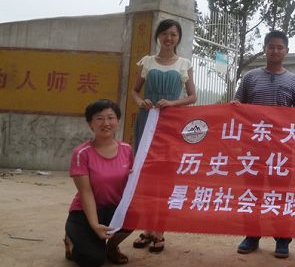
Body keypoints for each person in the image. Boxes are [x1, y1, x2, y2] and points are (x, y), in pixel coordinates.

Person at [234, 30, 295, 259]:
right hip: (254, 148)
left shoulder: (294, 81)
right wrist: (235, 104)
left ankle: (282, 239)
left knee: (281, 194)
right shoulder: (250, 78)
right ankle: (251, 236)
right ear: (264, 49)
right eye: (271, 46)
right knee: (253, 193)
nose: (275, 51)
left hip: (282, 150)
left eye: (279, 47)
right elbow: (238, 104)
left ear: (286, 51)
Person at [130, 18, 197, 253]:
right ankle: (147, 229)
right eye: (165, 33)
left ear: (178, 38)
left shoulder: (184, 64)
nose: (169, 38)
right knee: (146, 175)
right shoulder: (147, 62)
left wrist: (172, 103)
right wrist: (141, 102)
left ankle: (160, 231)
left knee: (165, 176)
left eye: (173, 34)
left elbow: (192, 97)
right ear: (158, 36)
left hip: (170, 125)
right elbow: (134, 91)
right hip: (146, 121)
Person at [64, 99, 134, 266]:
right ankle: (70, 240)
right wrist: (95, 225)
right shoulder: (82, 153)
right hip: (86, 211)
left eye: (110, 117)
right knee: (93, 260)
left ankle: (111, 247)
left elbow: (132, 182)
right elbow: (85, 192)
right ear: (90, 124)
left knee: (136, 215)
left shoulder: (127, 149)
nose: (106, 123)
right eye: (99, 118)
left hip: (113, 209)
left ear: (117, 120)